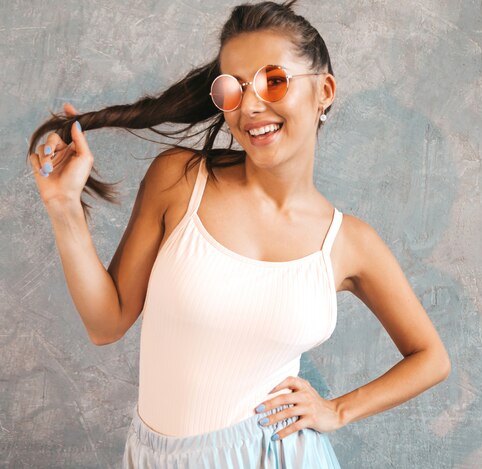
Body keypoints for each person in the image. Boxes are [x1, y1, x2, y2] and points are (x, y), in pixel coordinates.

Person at [27, 1, 451, 467]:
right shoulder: (180, 180)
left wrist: (338, 410)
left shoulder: (348, 243)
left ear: (324, 90)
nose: (250, 106)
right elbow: (106, 324)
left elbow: (430, 357)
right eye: (233, 88)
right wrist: (64, 208)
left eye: (274, 81)